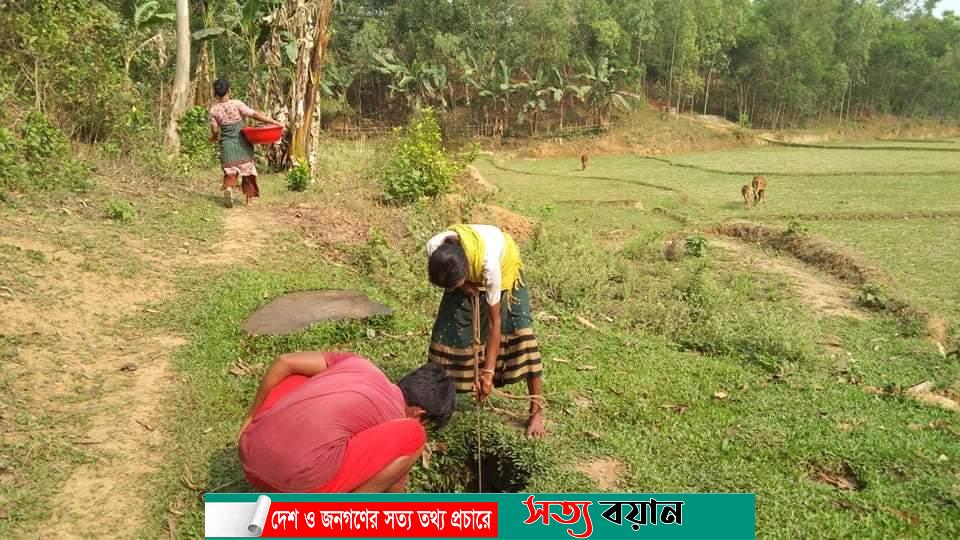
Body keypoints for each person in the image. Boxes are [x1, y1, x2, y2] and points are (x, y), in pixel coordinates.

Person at [238, 351, 455, 493]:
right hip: (297, 488)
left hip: (250, 456)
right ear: (419, 414)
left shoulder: (358, 364)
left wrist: (250, 418)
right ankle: (344, 517)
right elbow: (394, 491)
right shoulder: (398, 420)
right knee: (415, 437)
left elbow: (286, 361)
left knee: (297, 376)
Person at [426, 224, 546, 439]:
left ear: (466, 270)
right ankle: (437, 407)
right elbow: (451, 279)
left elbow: (494, 322)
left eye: (455, 284)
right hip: (462, 275)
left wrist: (488, 373)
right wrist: (463, 287)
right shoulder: (435, 247)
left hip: (506, 269)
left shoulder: (489, 266)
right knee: (446, 335)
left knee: (520, 332)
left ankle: (536, 411)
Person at [208, 78, 280, 208]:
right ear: (229, 90)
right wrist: (272, 122)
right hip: (242, 141)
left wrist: (213, 138)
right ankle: (249, 200)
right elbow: (254, 114)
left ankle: (228, 188)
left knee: (230, 169)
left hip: (226, 143)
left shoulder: (213, 110)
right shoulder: (236, 104)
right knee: (248, 169)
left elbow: (214, 129)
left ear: (215, 93)